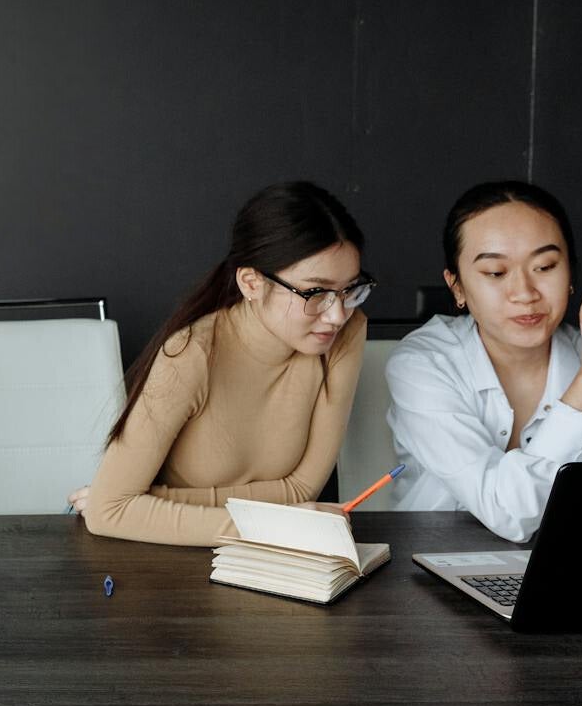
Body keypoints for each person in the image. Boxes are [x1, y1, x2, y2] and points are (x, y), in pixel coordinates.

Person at [67, 181, 371, 545]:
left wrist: (155, 503)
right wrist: (278, 525)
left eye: (349, 289)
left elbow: (302, 488)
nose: (337, 314)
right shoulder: (190, 355)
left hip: (260, 561)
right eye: (315, 292)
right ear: (251, 283)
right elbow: (110, 513)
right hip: (164, 565)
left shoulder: (346, 333)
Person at [384, 180, 582, 540]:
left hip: (564, 574)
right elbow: (508, 512)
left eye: (545, 266)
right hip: (424, 571)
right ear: (457, 287)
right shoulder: (423, 365)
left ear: (570, 272)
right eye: (496, 272)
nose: (524, 293)